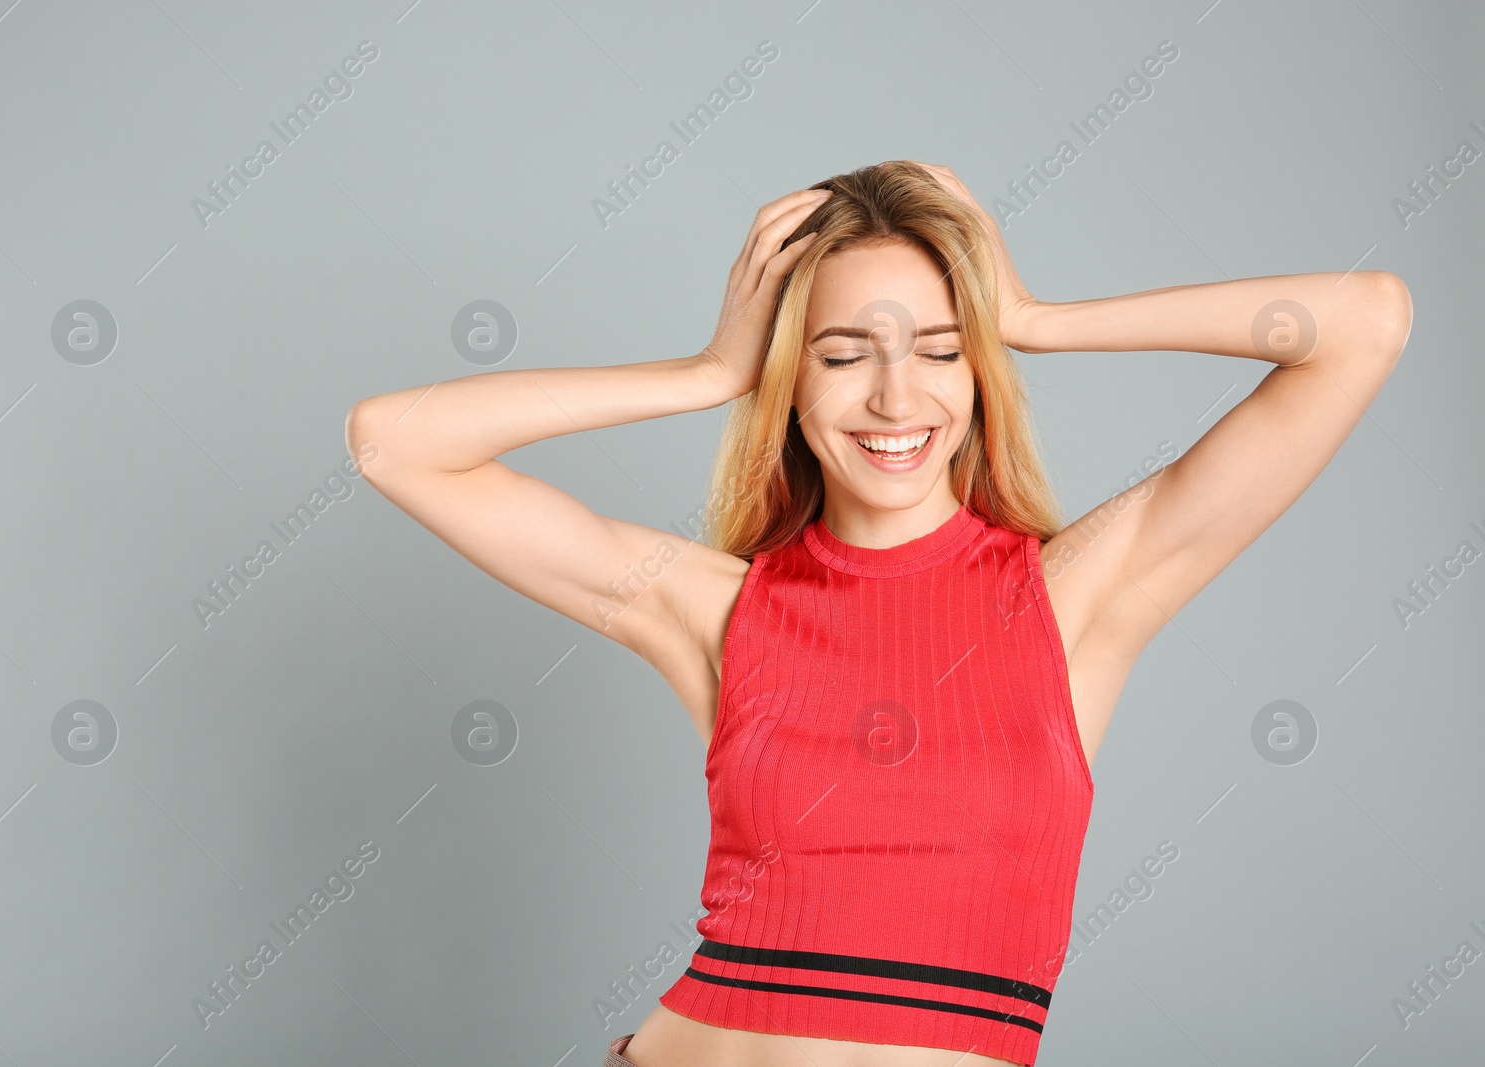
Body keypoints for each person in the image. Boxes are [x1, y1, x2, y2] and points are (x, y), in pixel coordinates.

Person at [345, 160, 1412, 1067]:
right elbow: (394, 441)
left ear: (980, 372)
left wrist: (1039, 319)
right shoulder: (717, 608)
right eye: (846, 352)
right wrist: (707, 370)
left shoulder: (1073, 597)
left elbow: (1364, 321)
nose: (898, 400)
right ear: (792, 382)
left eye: (943, 350)